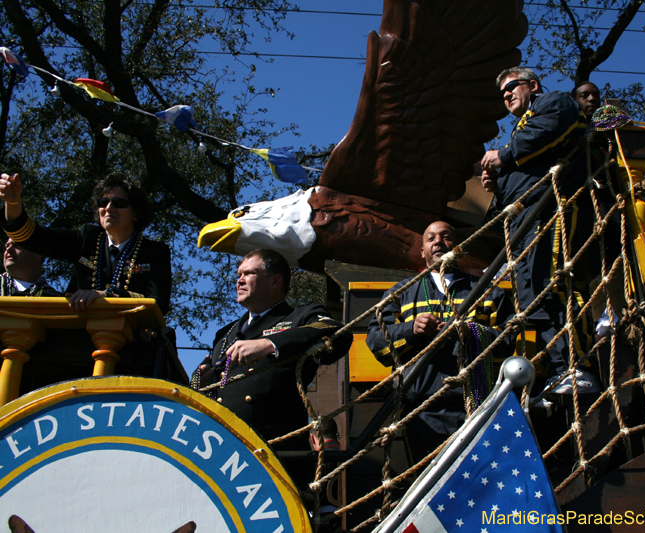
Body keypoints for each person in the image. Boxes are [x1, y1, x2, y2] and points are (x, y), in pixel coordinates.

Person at [479, 66, 594, 386]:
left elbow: (551, 131)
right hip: (522, 217)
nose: (506, 94)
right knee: (531, 294)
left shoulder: (554, 102)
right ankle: (560, 369)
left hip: (548, 207)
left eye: (511, 86)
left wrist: (504, 155)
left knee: (550, 283)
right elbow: (525, 165)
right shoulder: (521, 126)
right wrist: (497, 182)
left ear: (533, 84)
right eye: (502, 92)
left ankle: (576, 366)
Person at [366, 221, 514, 463]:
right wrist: (410, 329)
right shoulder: (400, 293)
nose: (438, 242)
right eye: (431, 238)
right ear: (422, 251)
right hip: (420, 411)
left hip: (475, 406)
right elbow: (376, 344)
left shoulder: (488, 291)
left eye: (446, 236)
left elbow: (509, 343)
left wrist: (470, 332)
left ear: (459, 247)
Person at [195, 248, 352, 446]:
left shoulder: (300, 317)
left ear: (274, 281)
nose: (239, 280)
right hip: (221, 445)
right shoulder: (225, 333)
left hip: (274, 449)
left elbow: (336, 332)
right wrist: (198, 382)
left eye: (249, 273)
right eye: (239, 275)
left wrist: (269, 344)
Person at [0, 172, 171, 314]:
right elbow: (35, 238)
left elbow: (158, 304)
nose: (109, 208)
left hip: (133, 343)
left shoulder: (155, 252)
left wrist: (107, 295)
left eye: (119, 203)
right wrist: (13, 203)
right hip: (83, 341)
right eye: (104, 202)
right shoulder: (86, 238)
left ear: (136, 213)